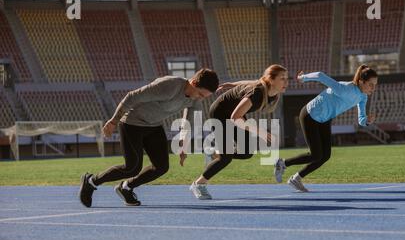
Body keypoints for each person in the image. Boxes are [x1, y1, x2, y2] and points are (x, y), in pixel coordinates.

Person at [79, 68, 219, 207]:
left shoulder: (194, 100)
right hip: (132, 123)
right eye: (200, 94)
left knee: (161, 167)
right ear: (193, 82)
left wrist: (183, 145)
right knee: (132, 167)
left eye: (204, 97)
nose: (200, 98)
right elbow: (132, 96)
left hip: (154, 126)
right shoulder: (170, 85)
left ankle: (126, 187)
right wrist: (114, 121)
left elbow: (188, 123)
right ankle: (91, 181)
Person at [190, 64, 288, 200]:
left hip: (234, 115)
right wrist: (260, 132)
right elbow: (235, 117)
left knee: (247, 152)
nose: (286, 82)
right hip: (221, 113)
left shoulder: (271, 92)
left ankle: (213, 153)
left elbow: (250, 83)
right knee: (226, 158)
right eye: (282, 78)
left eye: (287, 78)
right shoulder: (257, 93)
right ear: (271, 80)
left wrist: (232, 84)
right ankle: (199, 184)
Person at [274, 64, 378, 192]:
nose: (373, 88)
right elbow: (320, 75)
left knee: (325, 156)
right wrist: (303, 78)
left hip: (324, 119)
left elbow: (361, 120)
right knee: (316, 154)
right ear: (361, 82)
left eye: (375, 85)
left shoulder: (363, 97)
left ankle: (296, 179)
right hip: (310, 115)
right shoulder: (345, 88)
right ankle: (282, 164)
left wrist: (367, 121)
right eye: (370, 84)